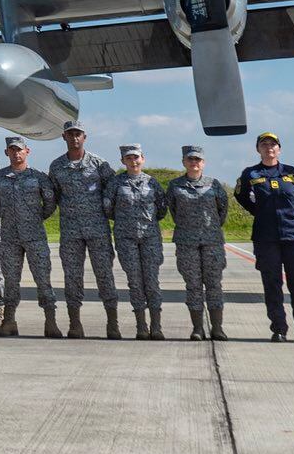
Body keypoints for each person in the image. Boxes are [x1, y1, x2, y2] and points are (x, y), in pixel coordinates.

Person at [235, 132, 294, 343]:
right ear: (258, 149)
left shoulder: (292, 173)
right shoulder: (250, 174)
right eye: (264, 144)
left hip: (293, 236)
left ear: (279, 149)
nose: (269, 147)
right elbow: (241, 197)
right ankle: (279, 328)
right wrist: (259, 212)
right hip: (266, 236)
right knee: (272, 284)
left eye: (273, 144)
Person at [49, 120, 120, 339]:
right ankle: (75, 324)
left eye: (78, 134)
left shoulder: (100, 164)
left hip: (98, 229)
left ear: (85, 137)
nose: (74, 138)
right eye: (70, 134)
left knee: (104, 275)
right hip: (71, 231)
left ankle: (112, 324)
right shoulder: (57, 166)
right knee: (72, 277)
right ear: (64, 137)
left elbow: (112, 192)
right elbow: (54, 195)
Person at [0, 136, 61, 338]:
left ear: (27, 151)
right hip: (10, 237)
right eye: (12, 150)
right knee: (11, 281)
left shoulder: (39, 177)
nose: (16, 153)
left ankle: (51, 322)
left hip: (35, 236)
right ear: (7, 153)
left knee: (43, 279)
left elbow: (50, 204)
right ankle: (9, 321)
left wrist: (35, 218)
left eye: (19, 150)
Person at [104, 144, 168, 340]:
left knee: (152, 281)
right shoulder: (115, 184)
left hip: (150, 238)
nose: (133, 161)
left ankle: (156, 327)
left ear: (143, 159)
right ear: (123, 161)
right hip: (126, 238)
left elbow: (162, 209)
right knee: (135, 282)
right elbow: (108, 208)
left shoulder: (153, 183)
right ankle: (141, 326)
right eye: (129, 158)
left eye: (136, 157)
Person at [167, 145, 229, 340]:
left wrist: (209, 228)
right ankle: (197, 328)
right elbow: (173, 210)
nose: (194, 163)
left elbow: (222, 211)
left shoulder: (214, 184)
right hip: (187, 242)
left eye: (198, 160)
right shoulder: (175, 185)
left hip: (212, 242)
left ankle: (217, 328)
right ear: (184, 162)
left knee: (214, 284)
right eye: (190, 159)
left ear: (203, 162)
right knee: (193, 285)